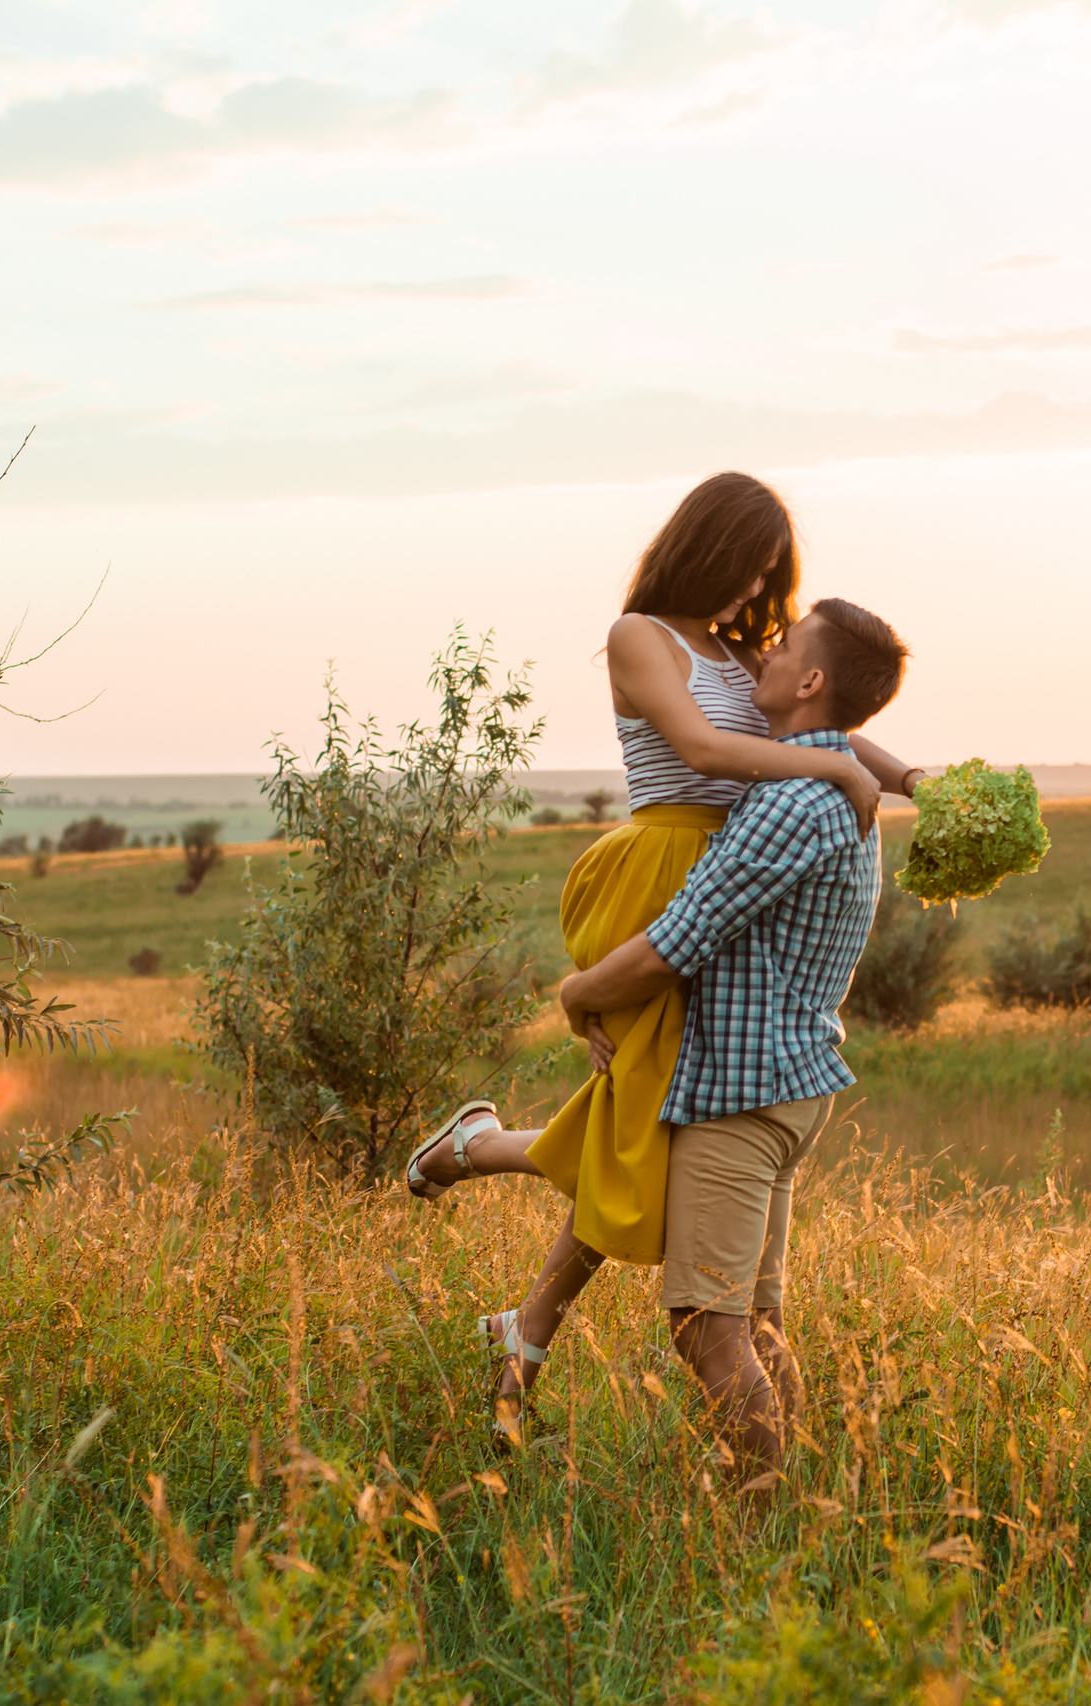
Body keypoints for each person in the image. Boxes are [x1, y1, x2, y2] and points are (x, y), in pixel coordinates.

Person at [401, 474, 924, 1437]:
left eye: (769, 579)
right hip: (663, 869)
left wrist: (906, 773)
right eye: (744, 571)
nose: (750, 597)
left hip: (729, 873)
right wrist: (833, 769)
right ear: (705, 549)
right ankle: (516, 1283)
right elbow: (703, 748)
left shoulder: (745, 650)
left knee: (636, 1128)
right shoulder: (641, 634)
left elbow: (834, 719)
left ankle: (496, 1231)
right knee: (638, 1121)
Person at [555, 597, 907, 1478]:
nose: (764, 656)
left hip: (742, 1102)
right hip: (791, 1087)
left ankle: (759, 1536)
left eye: (784, 646)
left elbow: (678, 939)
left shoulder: (791, 802)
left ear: (811, 681)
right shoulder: (827, 787)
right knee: (754, 1324)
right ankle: (800, 1506)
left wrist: (578, 991)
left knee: (708, 1336)